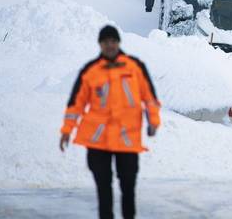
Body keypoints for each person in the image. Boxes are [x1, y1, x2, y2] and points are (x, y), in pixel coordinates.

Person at [60, 25, 160, 219]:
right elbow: (75, 105)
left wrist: (153, 120)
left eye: (113, 41)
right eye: (106, 42)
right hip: (99, 139)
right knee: (103, 188)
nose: (110, 45)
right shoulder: (90, 71)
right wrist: (66, 130)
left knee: (128, 187)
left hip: (127, 137)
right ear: (100, 44)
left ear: (118, 43)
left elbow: (149, 98)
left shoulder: (135, 67)